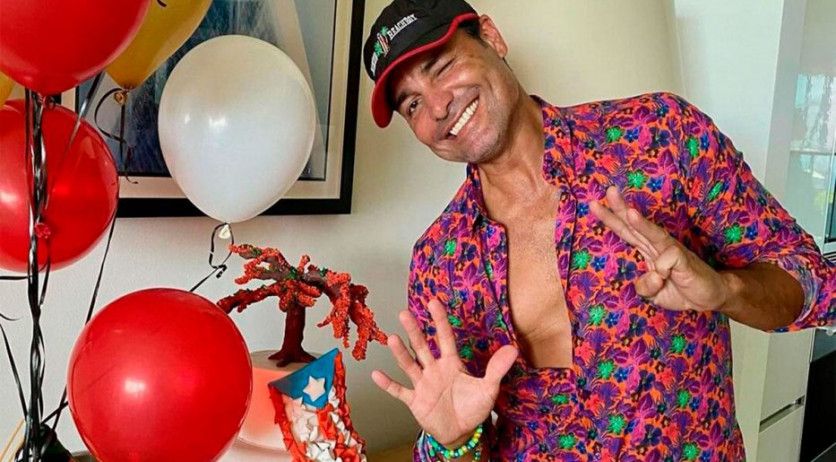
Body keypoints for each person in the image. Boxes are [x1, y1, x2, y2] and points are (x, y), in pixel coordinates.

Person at [363, 1, 836, 460]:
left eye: (443, 67)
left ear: (491, 37)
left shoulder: (659, 135)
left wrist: (725, 290)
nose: (438, 106)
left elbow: (815, 282)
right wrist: (450, 444)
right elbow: (455, 429)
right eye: (412, 104)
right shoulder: (438, 261)